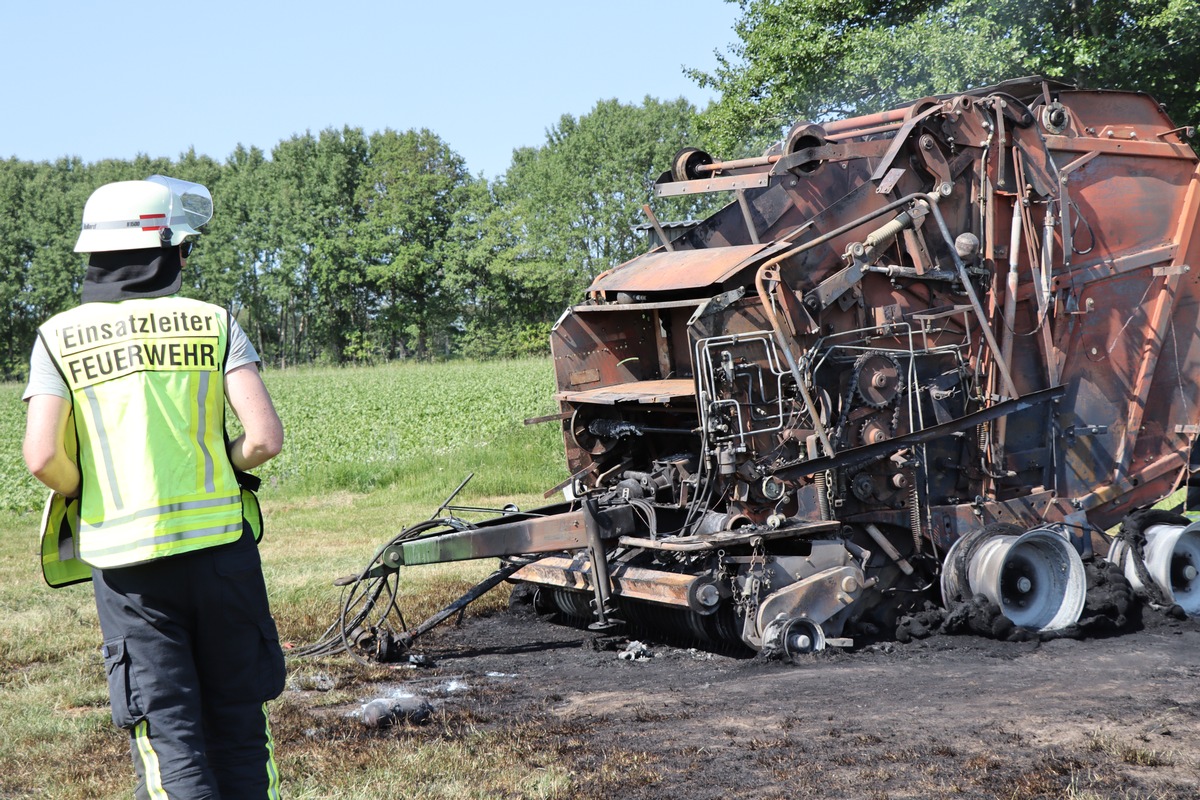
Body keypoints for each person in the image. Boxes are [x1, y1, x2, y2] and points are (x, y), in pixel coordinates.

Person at [22, 175, 286, 799]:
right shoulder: (215, 322)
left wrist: (82, 485)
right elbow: (265, 440)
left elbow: (40, 457)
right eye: (184, 245)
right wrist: (221, 463)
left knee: (168, 732)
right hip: (223, 554)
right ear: (165, 249)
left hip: (129, 570)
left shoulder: (58, 337)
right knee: (241, 725)